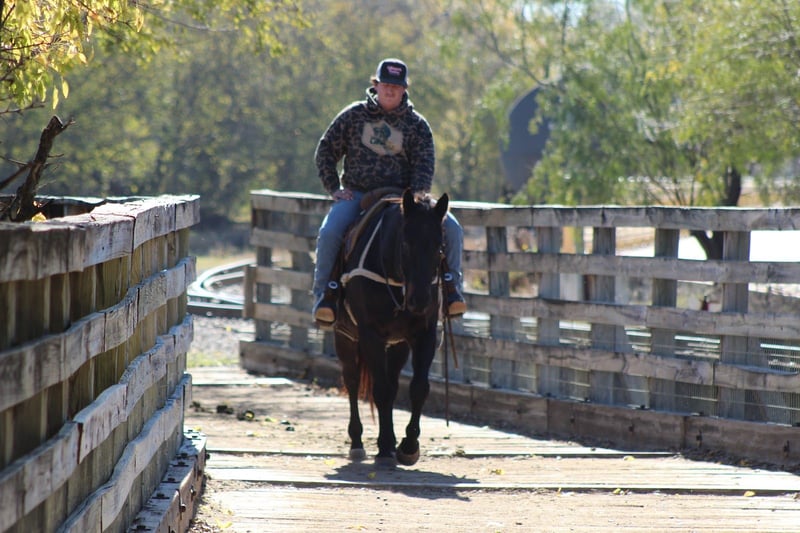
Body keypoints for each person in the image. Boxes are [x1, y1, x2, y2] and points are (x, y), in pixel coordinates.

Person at [312, 58, 466, 327]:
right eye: (386, 85)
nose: (390, 90)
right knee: (329, 232)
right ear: (376, 85)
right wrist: (334, 188)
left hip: (402, 200)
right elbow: (325, 150)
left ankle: (452, 290)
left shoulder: (417, 125)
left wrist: (416, 202)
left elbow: (424, 167)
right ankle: (326, 296)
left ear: (405, 89)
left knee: (452, 229)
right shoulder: (353, 115)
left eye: (396, 86)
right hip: (358, 195)